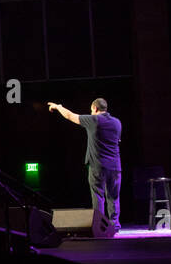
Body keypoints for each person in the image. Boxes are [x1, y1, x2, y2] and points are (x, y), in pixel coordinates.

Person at [49, 97, 122, 238]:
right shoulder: (117, 122)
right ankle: (115, 225)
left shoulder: (94, 120)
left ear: (94, 109)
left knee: (98, 196)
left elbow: (70, 116)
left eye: (91, 110)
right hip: (115, 166)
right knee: (113, 196)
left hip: (98, 166)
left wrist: (58, 107)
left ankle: (100, 226)